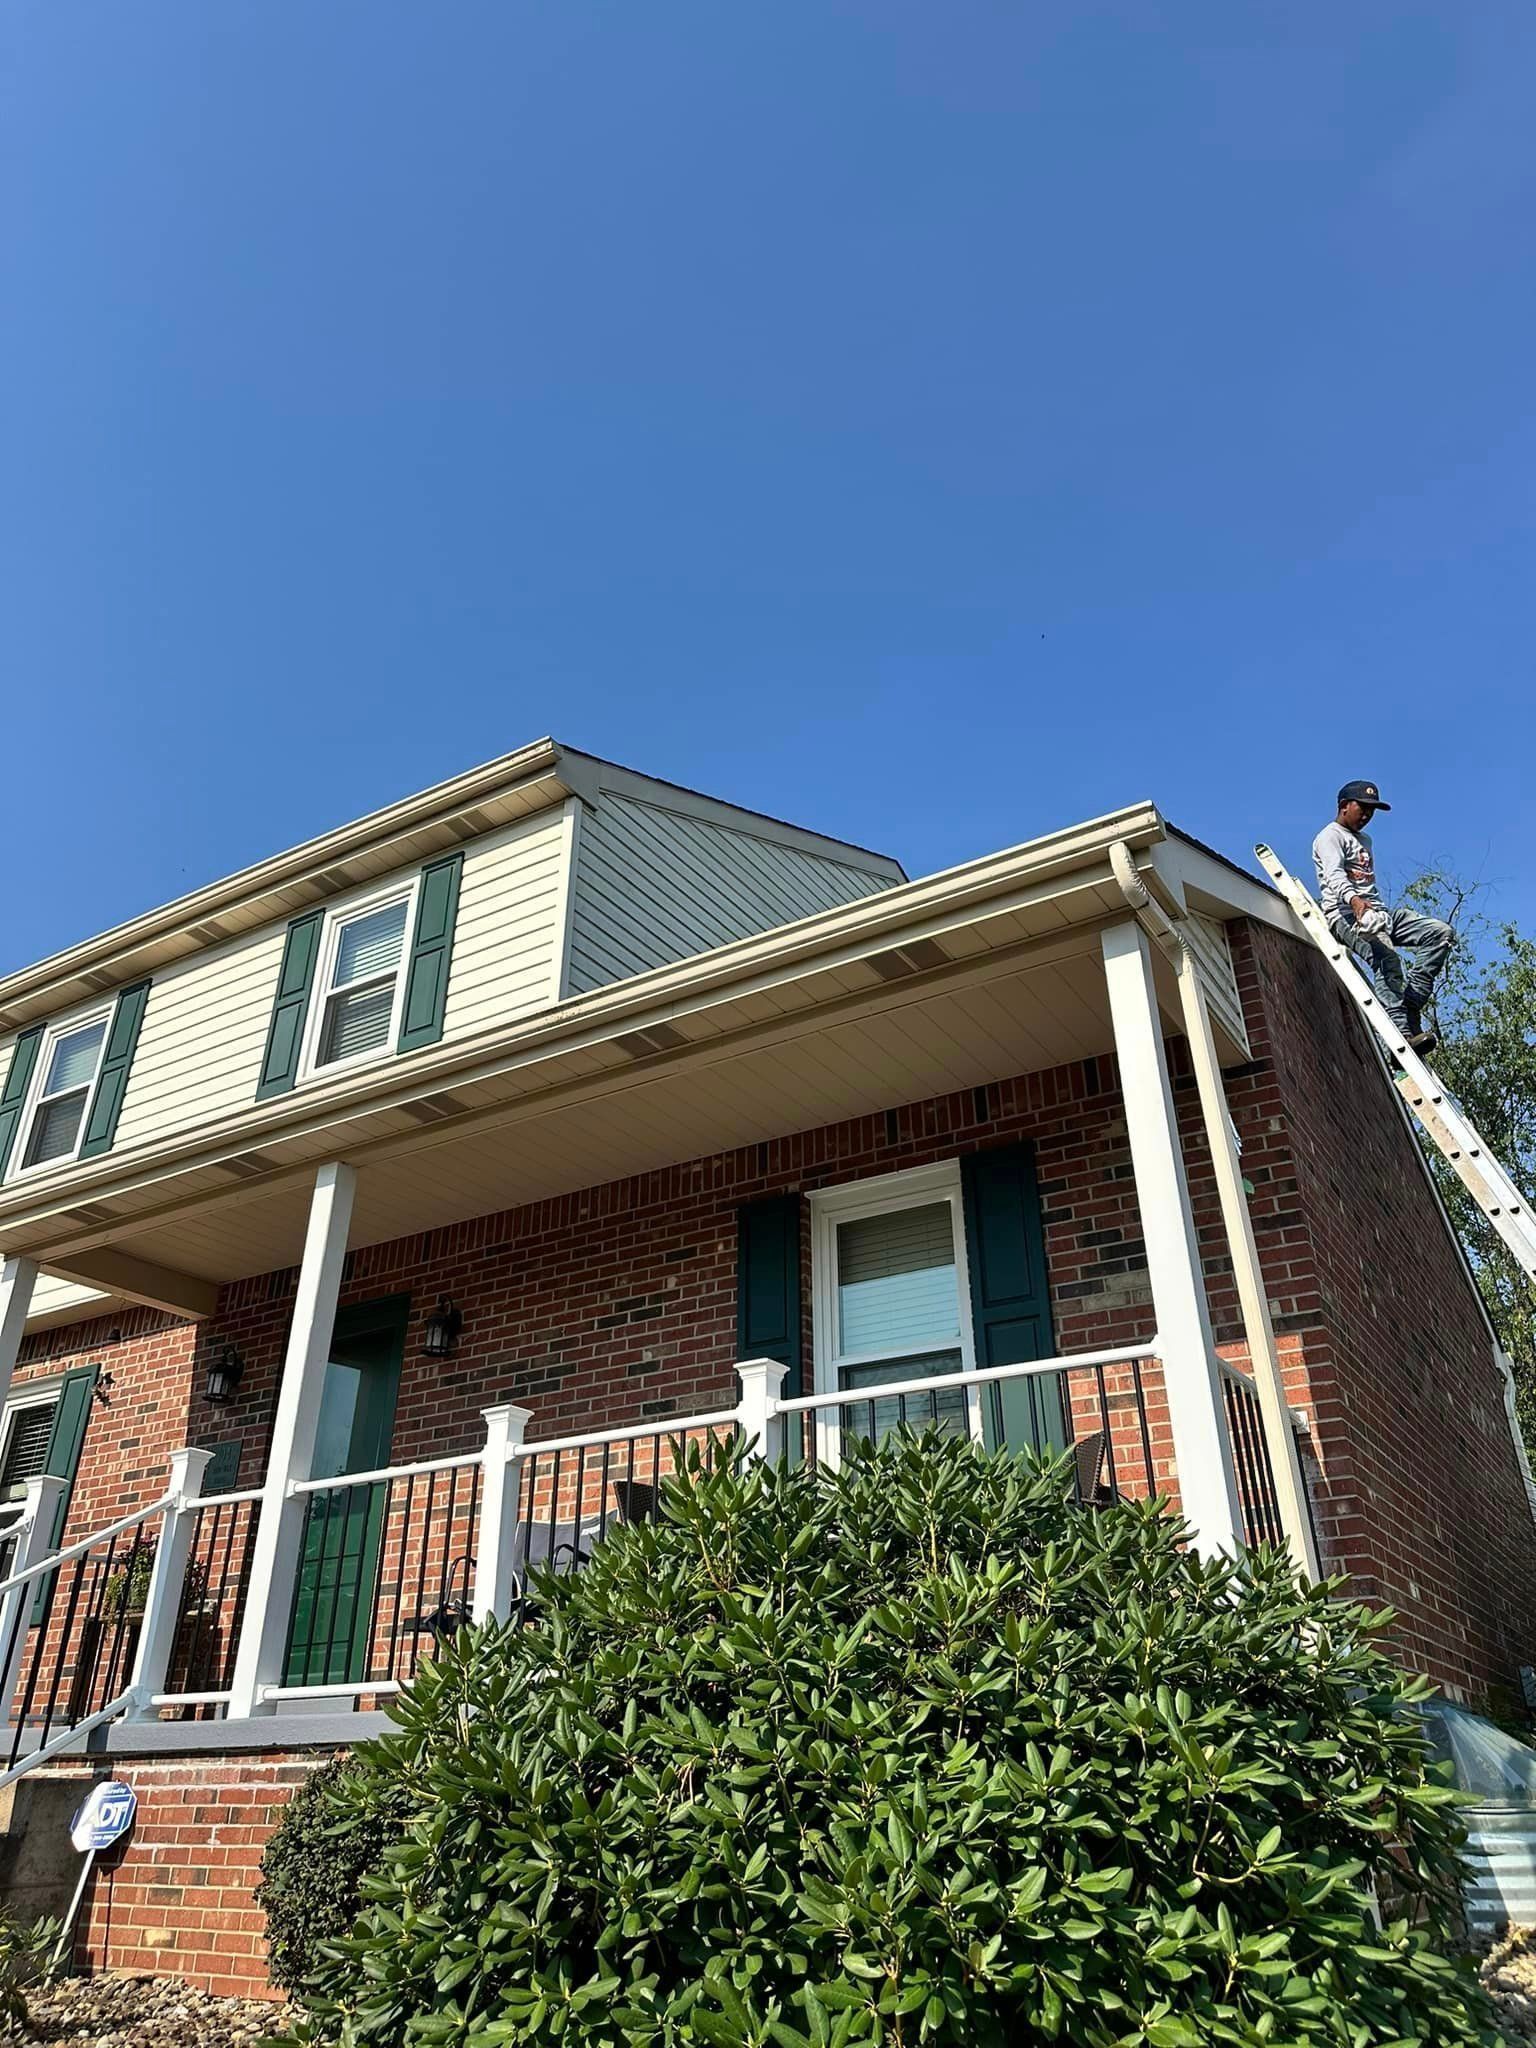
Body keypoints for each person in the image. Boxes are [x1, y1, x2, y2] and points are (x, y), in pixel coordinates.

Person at [1312, 780, 1453, 1055]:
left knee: (1440, 933)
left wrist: (1374, 911)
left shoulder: (1365, 840)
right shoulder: (1329, 837)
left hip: (1380, 914)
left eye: (1371, 811)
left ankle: (1410, 1003)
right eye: (1362, 809)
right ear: (1344, 806)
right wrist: (1354, 901)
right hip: (1346, 916)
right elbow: (1334, 875)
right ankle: (1401, 1036)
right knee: (1387, 959)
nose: (1366, 816)